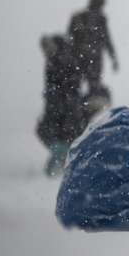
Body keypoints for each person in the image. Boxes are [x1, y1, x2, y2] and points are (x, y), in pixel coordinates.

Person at [35, 34, 87, 176]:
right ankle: (63, 167)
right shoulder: (51, 62)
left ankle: (58, 171)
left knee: (63, 138)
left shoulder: (65, 60)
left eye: (46, 49)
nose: (45, 53)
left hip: (67, 108)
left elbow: (74, 84)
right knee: (56, 136)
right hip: (58, 107)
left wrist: (58, 93)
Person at [66, 0, 117, 99]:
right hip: (92, 59)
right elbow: (107, 40)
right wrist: (113, 58)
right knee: (92, 87)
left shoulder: (78, 17)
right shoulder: (100, 19)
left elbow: (68, 40)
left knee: (76, 87)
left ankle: (76, 108)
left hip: (79, 58)